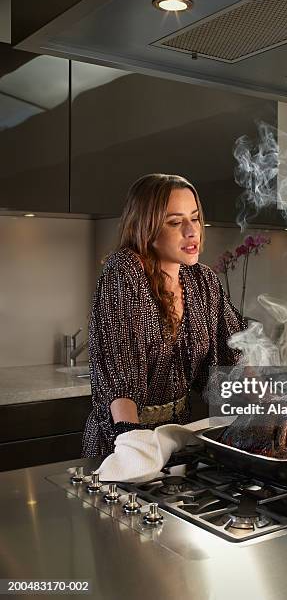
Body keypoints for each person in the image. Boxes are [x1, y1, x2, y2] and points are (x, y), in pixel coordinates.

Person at [82, 173, 247, 458]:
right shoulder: (124, 272)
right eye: (174, 222)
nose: (191, 231)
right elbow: (120, 379)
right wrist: (133, 448)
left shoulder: (203, 281)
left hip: (177, 439)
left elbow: (234, 358)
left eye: (194, 218)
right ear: (146, 227)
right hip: (124, 443)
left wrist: (276, 408)